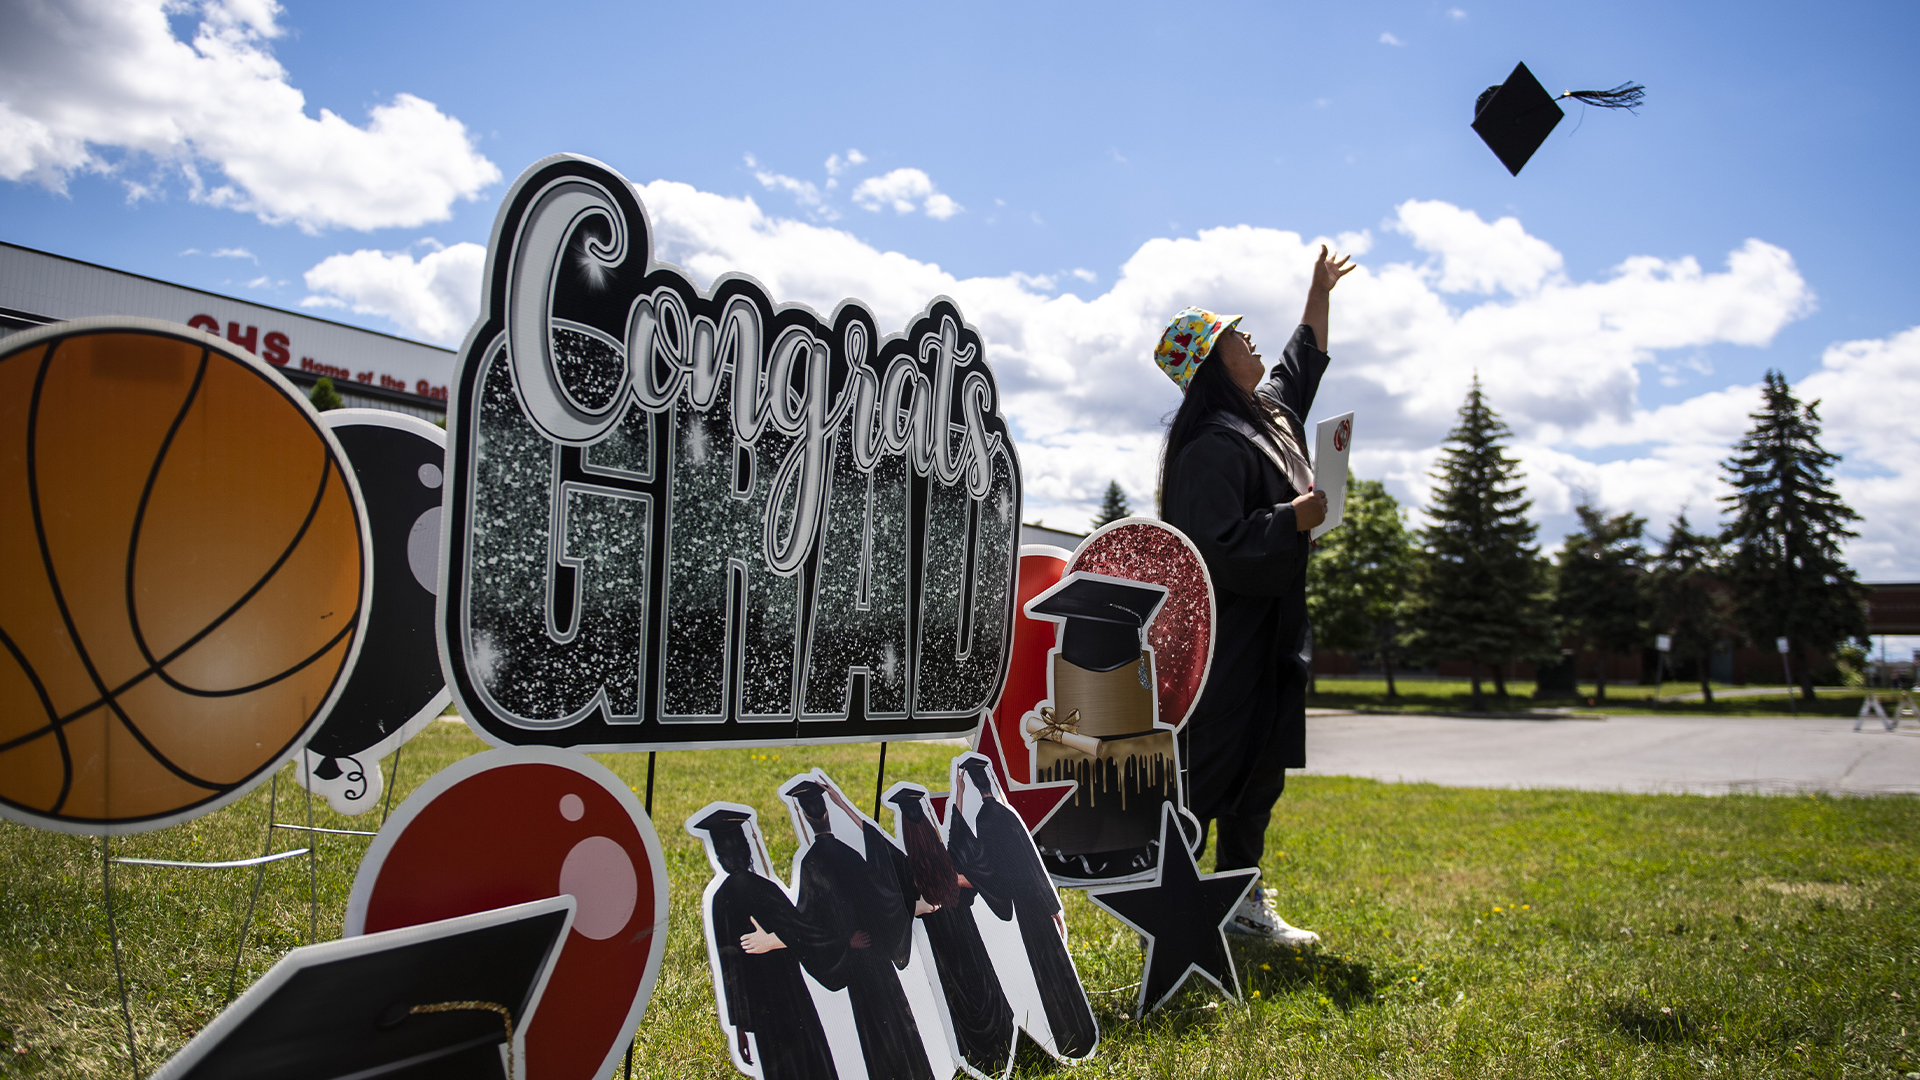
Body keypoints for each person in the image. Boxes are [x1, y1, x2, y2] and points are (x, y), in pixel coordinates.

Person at [1155, 244, 1358, 947]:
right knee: (1214, 762)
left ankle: (1240, 897)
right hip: (1228, 633)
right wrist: (1292, 519)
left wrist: (1319, 289)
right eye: (1234, 335)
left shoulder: (1268, 415)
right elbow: (1211, 546)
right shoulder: (1211, 442)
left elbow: (1303, 359)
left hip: (1276, 623)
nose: (1250, 338)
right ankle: (1165, 903)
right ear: (1211, 362)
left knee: (1264, 763)